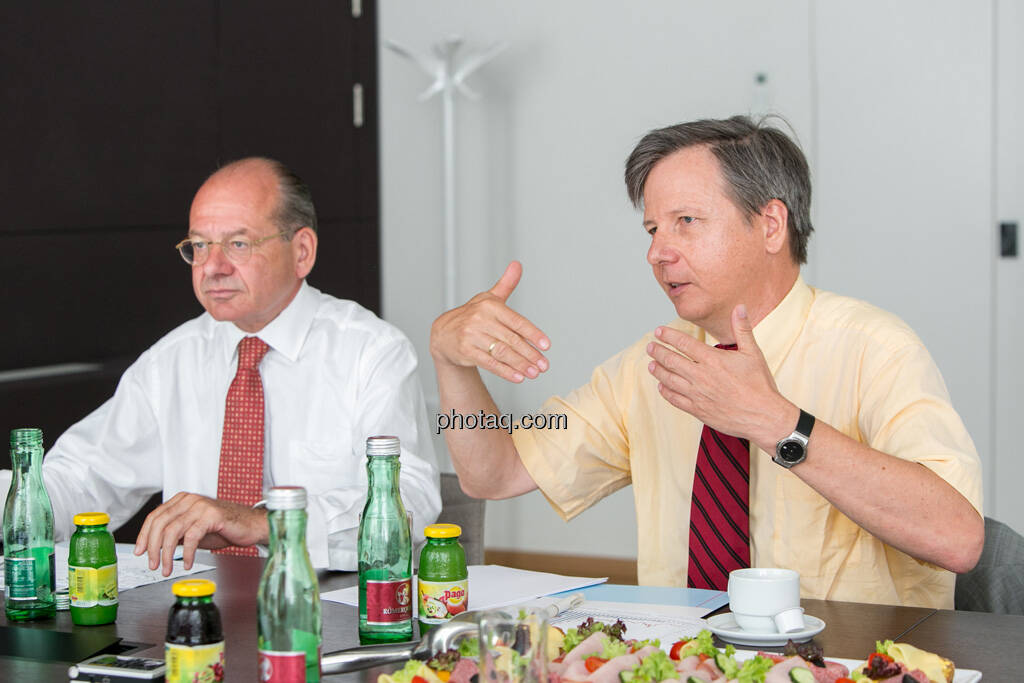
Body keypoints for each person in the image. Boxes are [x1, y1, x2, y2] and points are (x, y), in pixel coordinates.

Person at [429, 116, 984, 608]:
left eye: (686, 221)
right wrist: (452, 364)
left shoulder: (874, 348)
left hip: (845, 662)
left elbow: (957, 540)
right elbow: (491, 473)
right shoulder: (651, 365)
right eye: (652, 229)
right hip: (684, 661)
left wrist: (776, 423)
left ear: (770, 224)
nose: (657, 252)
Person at [0, 157, 441, 574]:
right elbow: (81, 477)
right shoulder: (171, 360)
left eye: (238, 243)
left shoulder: (371, 351)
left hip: (333, 609)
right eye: (198, 245)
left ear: (302, 251)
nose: (212, 267)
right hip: (195, 610)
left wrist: (262, 523)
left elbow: (411, 502)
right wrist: (16, 502)